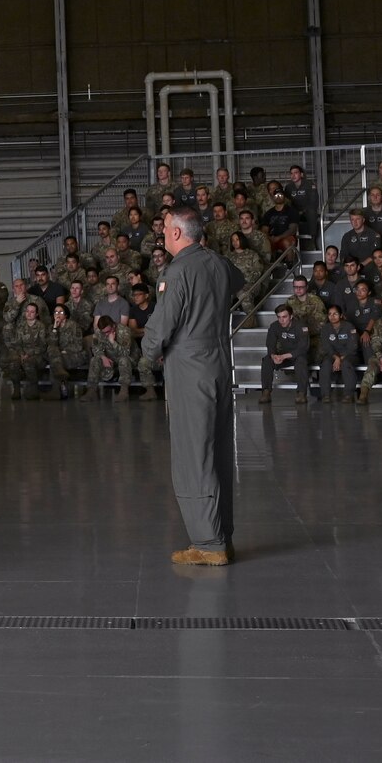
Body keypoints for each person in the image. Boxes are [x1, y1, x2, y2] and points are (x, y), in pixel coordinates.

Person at [142, 207, 242, 567]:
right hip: (217, 362)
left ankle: (208, 543)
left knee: (192, 455)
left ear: (179, 234)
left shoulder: (178, 270)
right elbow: (239, 279)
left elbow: (161, 325)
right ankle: (223, 536)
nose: (163, 232)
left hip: (189, 367)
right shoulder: (219, 263)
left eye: (166, 227)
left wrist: (148, 351)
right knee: (217, 452)